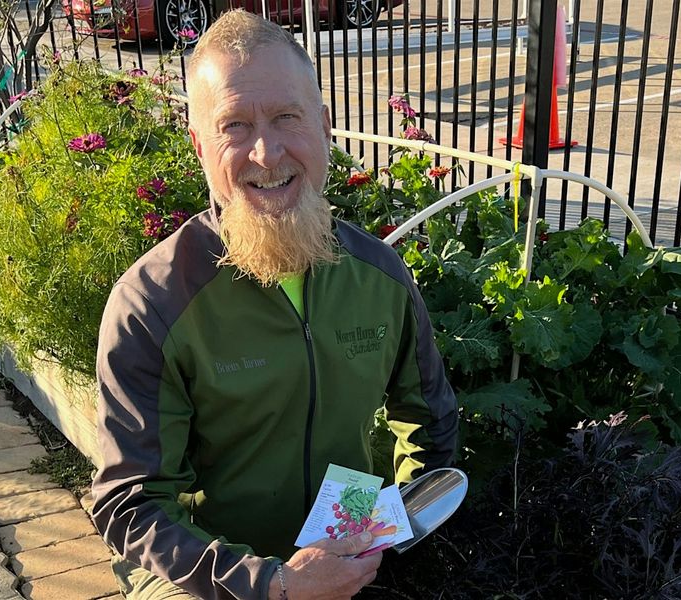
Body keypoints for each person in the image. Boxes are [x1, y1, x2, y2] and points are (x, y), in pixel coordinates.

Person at [89, 10, 458, 599]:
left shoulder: (380, 277)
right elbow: (131, 506)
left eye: (287, 116)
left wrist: (385, 534)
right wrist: (276, 586)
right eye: (234, 125)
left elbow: (429, 425)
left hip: (349, 553)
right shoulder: (152, 303)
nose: (266, 151)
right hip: (201, 579)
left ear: (325, 125)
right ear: (201, 146)